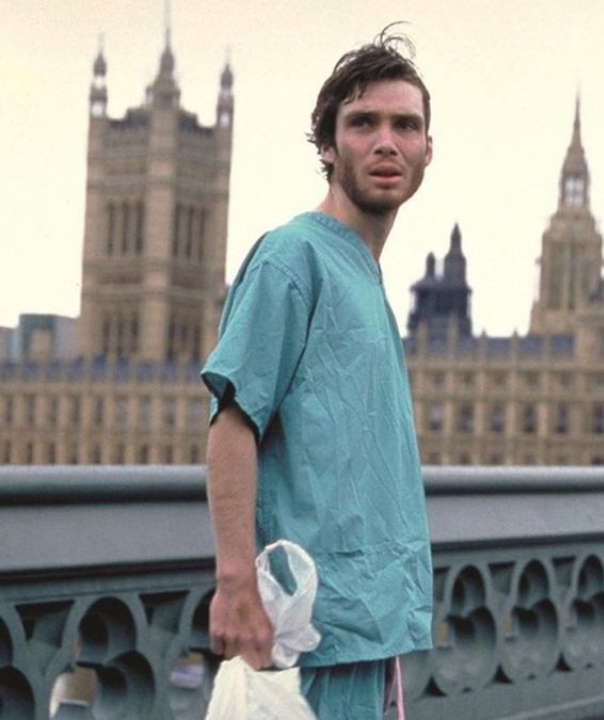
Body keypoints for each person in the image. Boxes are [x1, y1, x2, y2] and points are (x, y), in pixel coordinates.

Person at [201, 28, 434, 718]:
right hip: (304, 633)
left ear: (427, 150)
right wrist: (235, 578)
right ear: (327, 147)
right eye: (363, 123)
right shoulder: (292, 259)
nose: (387, 142)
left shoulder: (363, 274)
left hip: (367, 631)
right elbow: (233, 424)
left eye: (406, 125)